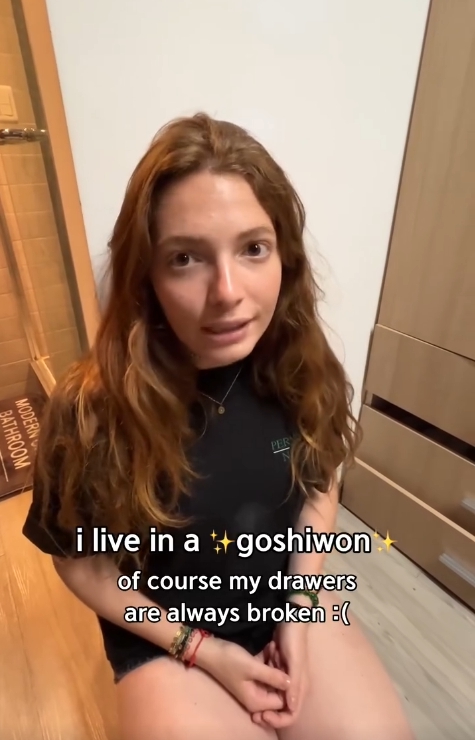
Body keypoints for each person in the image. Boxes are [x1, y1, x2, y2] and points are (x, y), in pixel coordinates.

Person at [22, 112, 414, 740]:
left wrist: (301, 607)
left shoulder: (301, 365)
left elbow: (320, 483)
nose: (228, 291)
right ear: (146, 276)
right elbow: (81, 564)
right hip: (166, 629)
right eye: (185, 258)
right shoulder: (90, 410)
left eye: (253, 248)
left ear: (284, 255)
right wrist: (200, 648)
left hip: (283, 600)